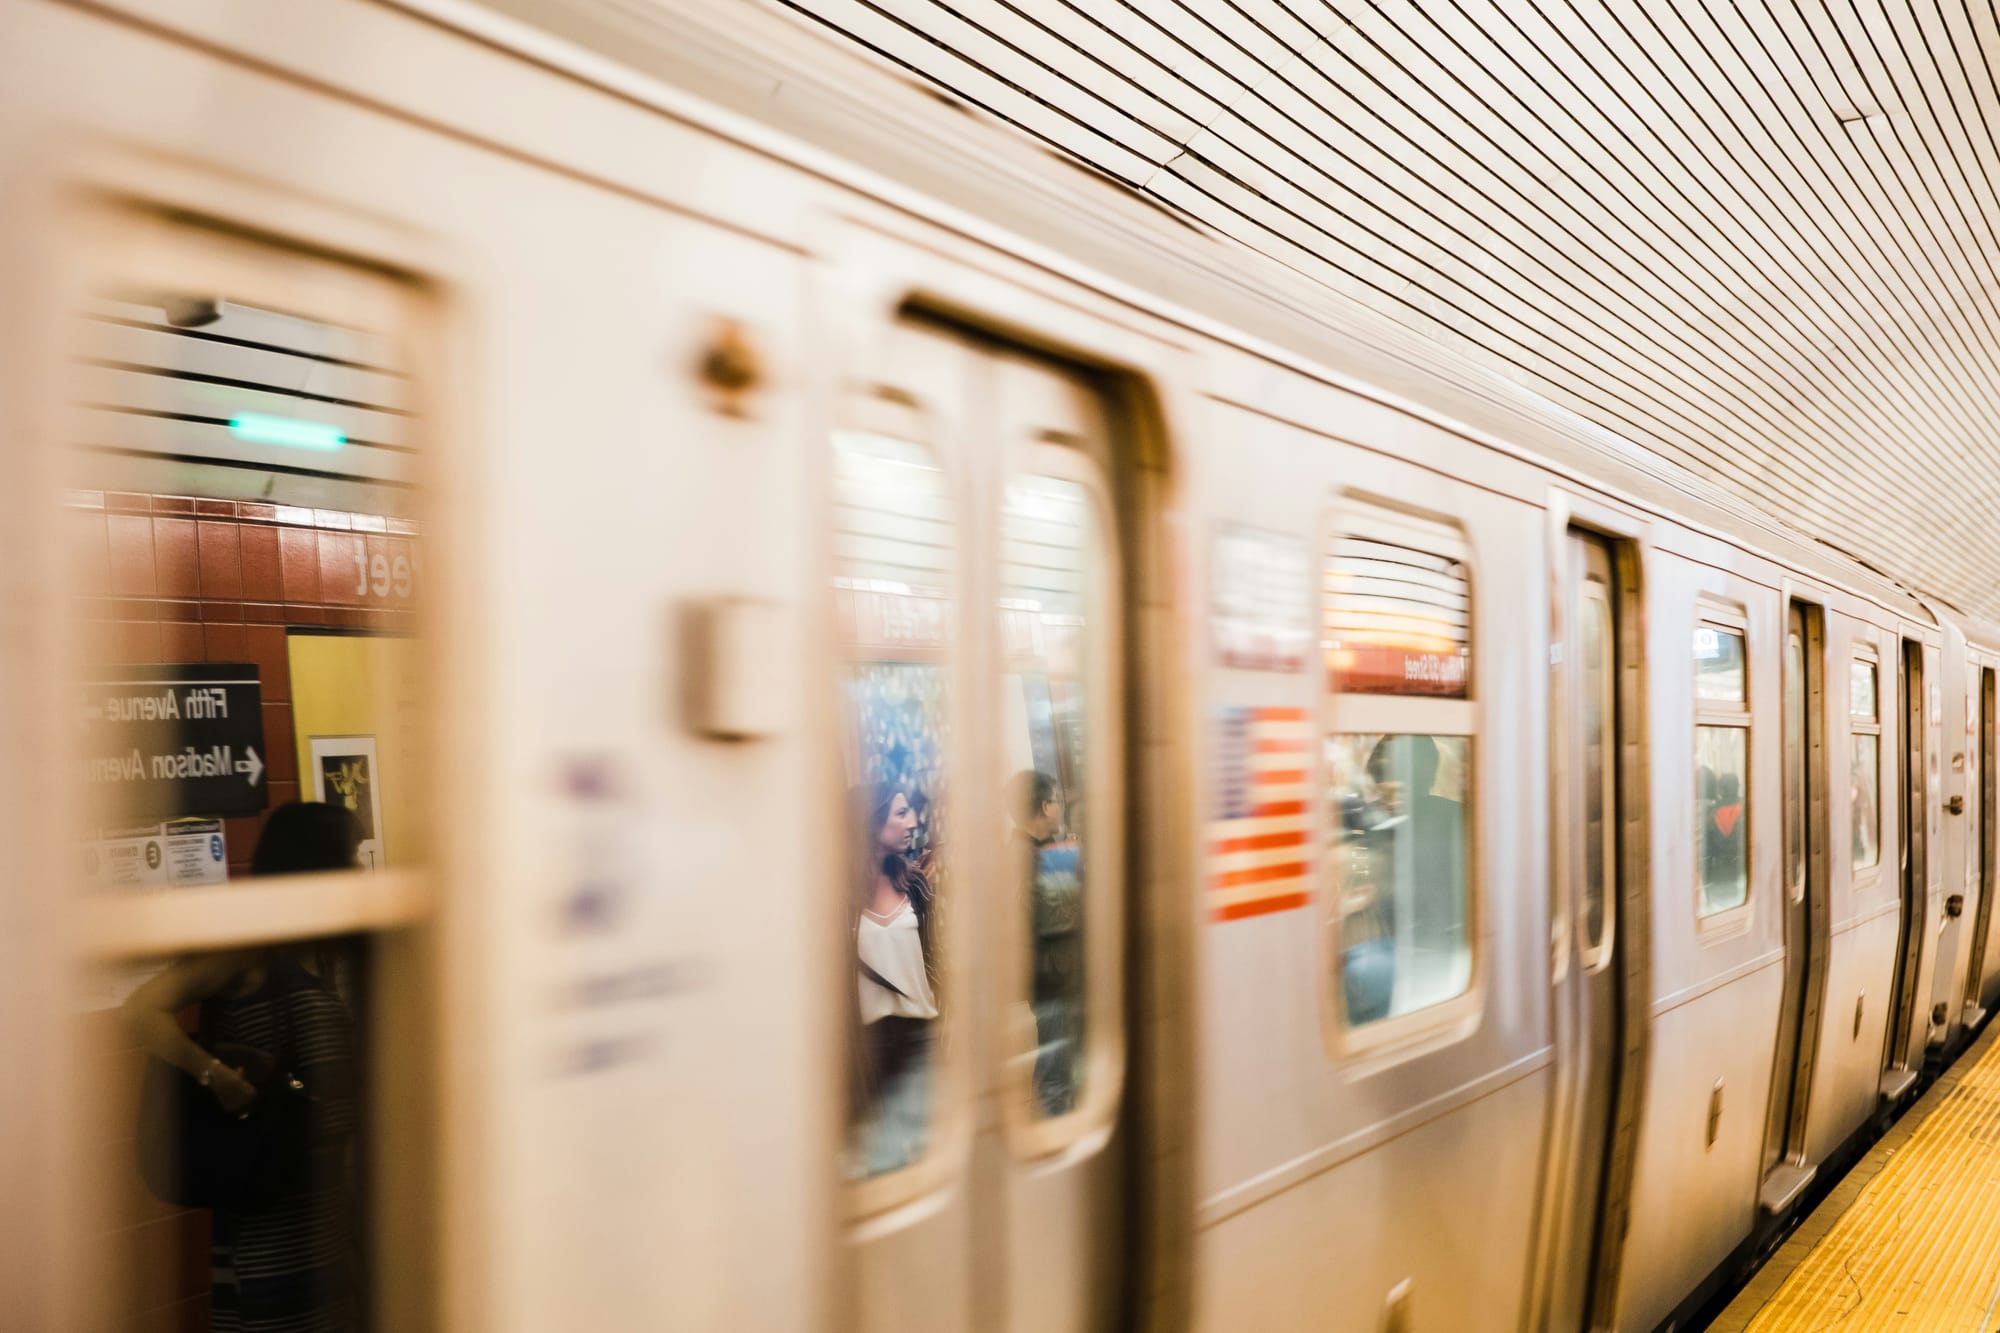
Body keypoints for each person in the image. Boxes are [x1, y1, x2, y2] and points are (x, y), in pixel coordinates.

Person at [123, 801, 363, 1333]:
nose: (361, 872)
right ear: (314, 864)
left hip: (325, 1208)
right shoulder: (249, 948)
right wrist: (214, 1075)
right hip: (267, 1209)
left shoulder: (331, 949)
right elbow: (141, 1010)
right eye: (349, 857)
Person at [850, 781, 939, 1174]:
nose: (913, 822)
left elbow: (936, 955)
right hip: (868, 1042)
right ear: (871, 823)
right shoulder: (843, 897)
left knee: (923, 1149)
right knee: (880, 1157)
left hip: (920, 1030)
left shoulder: (916, 885)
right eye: (901, 813)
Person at [1009, 770, 1084, 1115]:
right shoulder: (1022, 858)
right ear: (1045, 806)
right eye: (1056, 800)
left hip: (1062, 978)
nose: (1061, 806)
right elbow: (1052, 918)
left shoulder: (1048, 850)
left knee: (1063, 1065)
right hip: (1052, 981)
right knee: (1058, 1077)